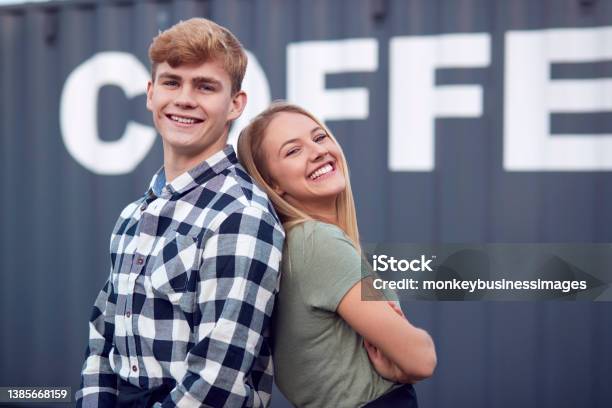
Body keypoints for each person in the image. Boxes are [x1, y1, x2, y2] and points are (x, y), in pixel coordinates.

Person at [76, 18, 284, 407]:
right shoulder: (133, 216)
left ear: (236, 104)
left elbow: (217, 379)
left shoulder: (239, 215)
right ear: (151, 94)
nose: (185, 98)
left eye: (205, 86)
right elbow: (102, 339)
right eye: (172, 82)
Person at [237, 101, 437, 407]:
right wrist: (405, 359)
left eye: (319, 138)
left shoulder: (301, 244)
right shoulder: (318, 243)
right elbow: (423, 359)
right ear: (272, 183)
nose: (317, 151)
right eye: (293, 151)